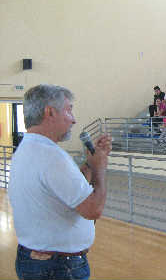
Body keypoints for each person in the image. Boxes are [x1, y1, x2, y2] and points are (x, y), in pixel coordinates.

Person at [8, 84, 112, 280]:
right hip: (58, 269)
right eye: (69, 109)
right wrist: (100, 168)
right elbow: (93, 210)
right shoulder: (52, 156)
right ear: (50, 112)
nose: (74, 119)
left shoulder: (28, 149)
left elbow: (70, 190)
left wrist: (90, 164)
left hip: (37, 261)